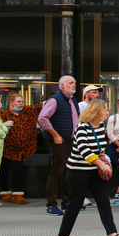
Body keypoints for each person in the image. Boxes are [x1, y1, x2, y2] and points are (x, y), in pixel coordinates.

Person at [55, 99, 119, 236]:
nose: (108, 113)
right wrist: (101, 164)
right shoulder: (82, 127)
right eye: (105, 110)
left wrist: (103, 160)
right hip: (77, 171)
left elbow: (100, 148)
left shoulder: (101, 126)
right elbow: (84, 150)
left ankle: (112, 234)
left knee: (104, 201)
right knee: (75, 203)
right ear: (96, 111)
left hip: (94, 171)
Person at [38, 75, 80, 216]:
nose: (74, 85)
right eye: (71, 83)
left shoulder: (72, 99)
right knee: (57, 171)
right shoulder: (55, 100)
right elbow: (42, 118)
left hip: (70, 140)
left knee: (68, 171)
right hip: (59, 141)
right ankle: (51, 204)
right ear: (62, 85)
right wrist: (55, 134)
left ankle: (67, 201)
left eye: (74, 83)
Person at [0, 93, 41, 205]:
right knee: (3, 170)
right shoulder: (3, 113)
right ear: (11, 102)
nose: (21, 104)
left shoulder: (26, 112)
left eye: (22, 101)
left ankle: (17, 193)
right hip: (6, 146)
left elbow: (37, 107)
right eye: (18, 101)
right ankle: (5, 193)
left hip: (20, 148)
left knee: (17, 170)